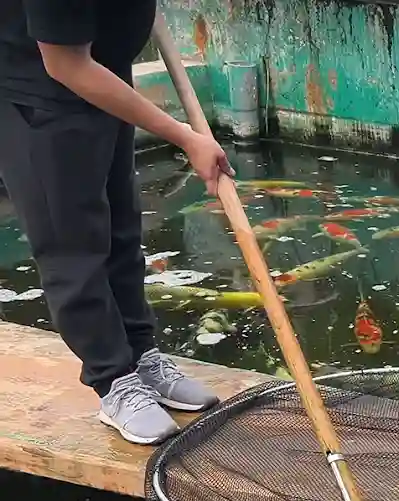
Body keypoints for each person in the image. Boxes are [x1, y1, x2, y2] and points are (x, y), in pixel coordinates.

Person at [0, 1, 232, 445]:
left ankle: (141, 355)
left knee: (122, 230)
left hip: (103, 72)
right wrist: (185, 137)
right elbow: (65, 63)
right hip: (42, 94)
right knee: (73, 246)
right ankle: (114, 381)